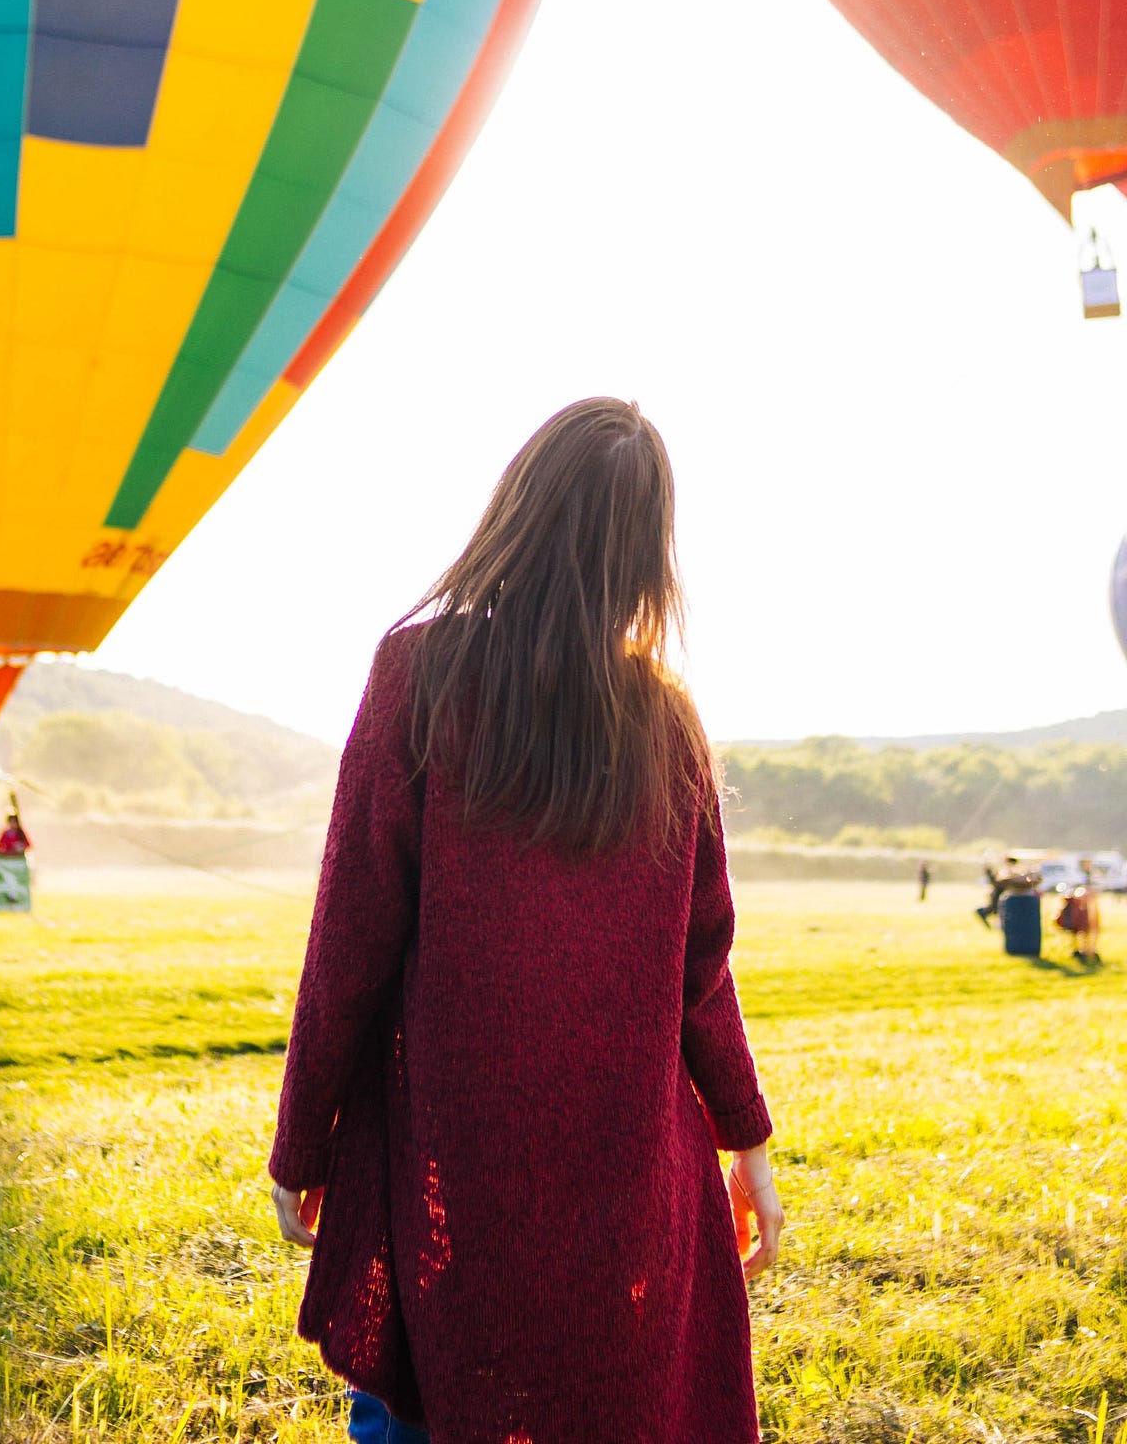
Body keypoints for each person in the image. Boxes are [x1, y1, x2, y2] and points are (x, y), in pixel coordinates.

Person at [269, 398, 782, 1444]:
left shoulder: (419, 674)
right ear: (650, 555)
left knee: (424, 1389)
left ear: (517, 510)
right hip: (629, 1182)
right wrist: (747, 1145)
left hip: (448, 1167)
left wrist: (301, 1143)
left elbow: (347, 944)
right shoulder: (669, 724)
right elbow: (705, 973)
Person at [975, 853, 1037, 927]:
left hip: (1009, 896)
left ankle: (984, 912)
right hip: (1003, 896)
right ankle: (985, 913)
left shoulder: (1012, 871)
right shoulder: (1006, 871)